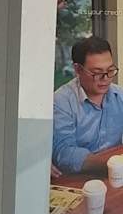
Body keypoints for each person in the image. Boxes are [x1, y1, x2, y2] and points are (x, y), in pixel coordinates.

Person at [52, 35, 123, 173]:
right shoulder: (61, 101)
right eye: (97, 73)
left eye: (110, 70)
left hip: (115, 171)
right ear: (78, 69)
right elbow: (64, 153)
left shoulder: (119, 95)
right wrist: (112, 165)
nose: (105, 79)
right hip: (78, 176)